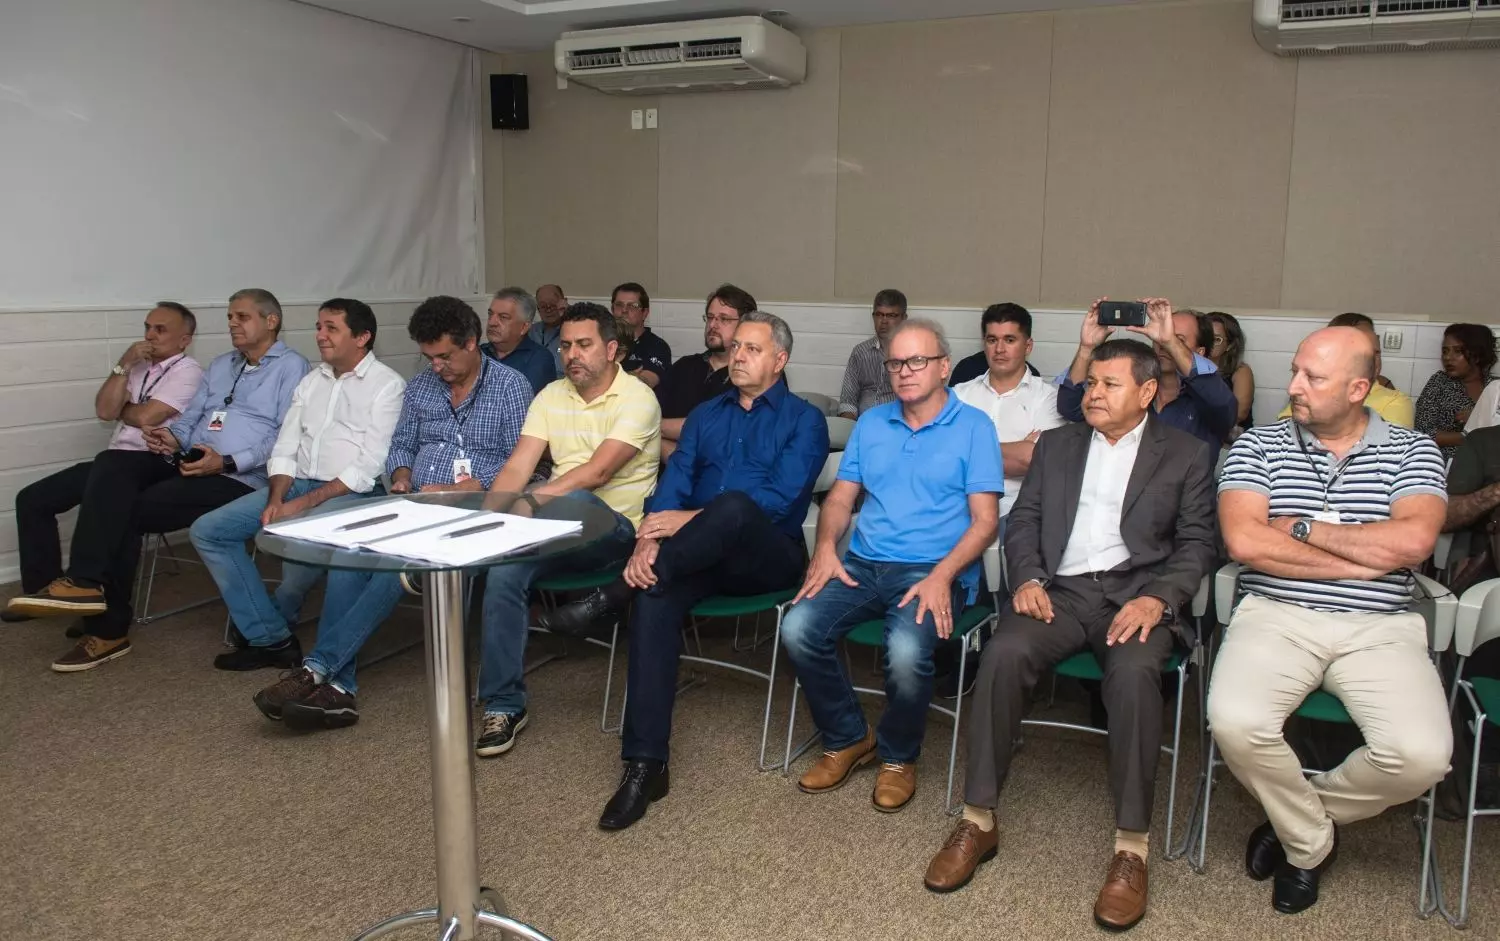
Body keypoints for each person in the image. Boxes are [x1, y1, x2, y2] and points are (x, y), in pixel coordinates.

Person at [924, 339, 1217, 930]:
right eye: (1091, 383)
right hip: (1060, 591)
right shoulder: (1057, 445)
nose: (1093, 393)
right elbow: (1024, 520)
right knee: (1002, 654)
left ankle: (1131, 847)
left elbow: (1198, 544)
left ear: (1147, 392)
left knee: (1135, 677)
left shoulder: (1185, 453)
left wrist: (1159, 599)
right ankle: (978, 819)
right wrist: (1028, 578)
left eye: (1110, 384)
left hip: (1136, 596)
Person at [538, 311, 828, 829]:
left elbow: (779, 502)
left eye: (752, 349)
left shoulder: (804, 420)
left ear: (780, 360)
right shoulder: (705, 415)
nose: (738, 356)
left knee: (735, 505)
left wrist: (686, 520)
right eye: (735, 347)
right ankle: (645, 765)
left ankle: (612, 596)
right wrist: (649, 539)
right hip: (694, 555)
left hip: (767, 558)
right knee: (655, 591)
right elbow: (673, 485)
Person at [1209, 325, 1452, 915]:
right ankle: (1310, 843)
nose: (1294, 385)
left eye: (1313, 378)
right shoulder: (1258, 445)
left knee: (1421, 756)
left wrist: (1299, 527)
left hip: (1380, 625)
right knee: (1235, 721)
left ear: (1358, 389)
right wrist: (1363, 558)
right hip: (1277, 613)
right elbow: (1245, 541)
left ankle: (1292, 823)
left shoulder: (1413, 450)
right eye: (1296, 370)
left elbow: (1413, 542)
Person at [251, 296, 531, 730]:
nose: (436, 367)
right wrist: (401, 476)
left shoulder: (511, 387)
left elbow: (526, 461)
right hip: (416, 503)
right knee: (350, 558)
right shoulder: (421, 387)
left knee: (397, 567)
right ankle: (339, 689)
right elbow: (401, 445)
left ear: (471, 343)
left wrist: (474, 486)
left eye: (444, 356)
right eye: (429, 357)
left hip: (479, 509)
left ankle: (319, 670)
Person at [7, 289, 309, 671]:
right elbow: (191, 418)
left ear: (271, 321)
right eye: (230, 316)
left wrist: (228, 461)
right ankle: (85, 583)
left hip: (241, 476)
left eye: (242, 317)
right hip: (190, 459)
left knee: (127, 508)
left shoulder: (293, 367)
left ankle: (107, 626)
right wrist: (172, 438)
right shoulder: (221, 365)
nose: (232, 323)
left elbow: (285, 435)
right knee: (112, 462)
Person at [781, 319, 1002, 813]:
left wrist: (942, 576)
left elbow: (986, 522)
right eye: (896, 362)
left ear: (944, 367)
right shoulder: (872, 423)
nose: (904, 371)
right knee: (797, 627)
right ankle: (848, 737)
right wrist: (825, 548)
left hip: (933, 569)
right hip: (863, 563)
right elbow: (841, 499)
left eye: (917, 360)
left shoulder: (974, 428)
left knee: (904, 650)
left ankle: (899, 756)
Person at [473, 302, 661, 757]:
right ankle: (504, 705)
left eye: (584, 345)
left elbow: (597, 473)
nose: (572, 354)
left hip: (615, 534)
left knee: (579, 501)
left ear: (611, 349)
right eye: (565, 345)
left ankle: (475, 554)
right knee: (503, 570)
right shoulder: (551, 395)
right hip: (552, 529)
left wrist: (529, 502)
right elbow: (518, 466)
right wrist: (487, 521)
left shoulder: (638, 398)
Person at [189, 299, 405, 671]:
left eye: (331, 328)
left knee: (308, 552)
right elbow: (285, 446)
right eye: (319, 327)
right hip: (296, 486)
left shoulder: (387, 385)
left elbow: (368, 465)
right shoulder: (311, 380)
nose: (320, 335)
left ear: (362, 337)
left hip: (354, 494)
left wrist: (301, 506)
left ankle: (323, 663)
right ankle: (271, 637)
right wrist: (277, 498)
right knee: (209, 531)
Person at [6, 302, 203, 628]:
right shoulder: (136, 367)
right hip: (118, 461)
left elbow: (146, 416)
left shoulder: (188, 371)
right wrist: (124, 363)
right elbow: (103, 410)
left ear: (185, 340)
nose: (150, 336)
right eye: (147, 327)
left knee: (110, 480)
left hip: (159, 460)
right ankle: (46, 592)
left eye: (160, 329)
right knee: (32, 499)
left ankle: (84, 582)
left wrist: (124, 409)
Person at [1058, 298, 1237, 452]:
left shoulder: (1209, 396)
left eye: (1178, 339)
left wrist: (1170, 341)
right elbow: (1070, 408)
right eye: (1160, 336)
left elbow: (1224, 407)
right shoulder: (1133, 389)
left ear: (1200, 352)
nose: (1162, 344)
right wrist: (1087, 348)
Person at [952, 303, 1067, 523]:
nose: (999, 349)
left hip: (1018, 516)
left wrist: (967, 450)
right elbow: (942, 455)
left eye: (1010, 340)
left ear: (1028, 346)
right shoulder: (959, 395)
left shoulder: (1048, 398)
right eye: (992, 340)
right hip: (959, 511)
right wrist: (1017, 449)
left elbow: (1033, 460)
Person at [655, 283, 758, 460]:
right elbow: (649, 413)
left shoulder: (756, 374)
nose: (713, 325)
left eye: (724, 319)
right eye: (710, 317)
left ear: (745, 326)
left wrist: (656, 432)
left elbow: (723, 432)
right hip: (665, 471)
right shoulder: (685, 366)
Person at [1277, 313, 1413, 428]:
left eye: (1376, 352)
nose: (1373, 360)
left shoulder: (1395, 401)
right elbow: (1286, 430)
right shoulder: (1308, 391)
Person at [1414, 323, 1496, 459]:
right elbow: (1422, 432)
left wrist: (1478, 419)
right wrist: (1468, 433)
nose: (1448, 357)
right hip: (1445, 462)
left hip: (1490, 462)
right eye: (1445, 351)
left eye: (1457, 351)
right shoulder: (1439, 382)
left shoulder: (1495, 387)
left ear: (1477, 355)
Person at [837, 289, 907, 419]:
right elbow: (848, 401)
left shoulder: (912, 354)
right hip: (862, 422)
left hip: (898, 422)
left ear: (904, 318)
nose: (884, 321)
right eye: (879, 314)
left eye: (891, 315)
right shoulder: (860, 352)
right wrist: (851, 427)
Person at [482, 287, 558, 396]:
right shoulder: (479, 353)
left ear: (524, 327)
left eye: (503, 317)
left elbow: (523, 400)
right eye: (490, 314)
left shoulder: (539, 359)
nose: (492, 322)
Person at [612, 282, 671, 388]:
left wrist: (605, 377)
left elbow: (645, 382)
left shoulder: (658, 346)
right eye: (619, 305)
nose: (624, 310)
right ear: (612, 310)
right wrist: (631, 376)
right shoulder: (602, 342)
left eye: (632, 306)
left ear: (645, 313)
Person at [1207, 311, 1255, 438]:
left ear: (1230, 345)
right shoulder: (1190, 367)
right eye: (1205, 337)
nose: (1208, 343)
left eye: (1216, 339)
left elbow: (1239, 414)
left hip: (1233, 438)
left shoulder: (1241, 371)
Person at [531, 283, 567, 373]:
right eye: (543, 306)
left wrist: (569, 312)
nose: (548, 309)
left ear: (564, 303)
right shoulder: (530, 332)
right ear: (538, 308)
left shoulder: (574, 331)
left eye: (553, 304)